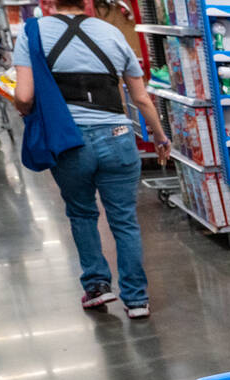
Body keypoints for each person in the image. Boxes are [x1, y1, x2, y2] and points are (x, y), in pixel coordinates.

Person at [11, 0, 171, 318]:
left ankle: (97, 287)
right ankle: (137, 300)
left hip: (69, 140)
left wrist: (22, 107)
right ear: (87, 2)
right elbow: (140, 98)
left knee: (82, 214)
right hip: (118, 137)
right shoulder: (112, 33)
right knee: (124, 220)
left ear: (51, 2)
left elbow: (25, 96)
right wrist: (160, 137)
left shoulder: (32, 33)